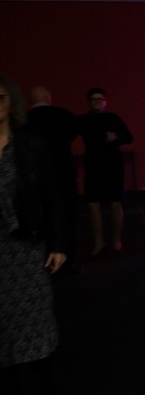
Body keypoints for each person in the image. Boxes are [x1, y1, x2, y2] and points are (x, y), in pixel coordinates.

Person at [0, 74, 68, 395]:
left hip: (25, 246)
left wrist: (58, 244)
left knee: (36, 322)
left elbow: (52, 196)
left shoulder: (29, 144)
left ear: (10, 101)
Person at [25, 86, 79, 271]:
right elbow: (75, 131)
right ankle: (67, 261)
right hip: (64, 175)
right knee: (68, 218)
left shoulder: (24, 119)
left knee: (42, 220)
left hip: (37, 179)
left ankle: (45, 261)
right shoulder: (63, 115)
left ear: (30, 100)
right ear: (48, 98)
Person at [77, 87, 133, 257]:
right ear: (89, 101)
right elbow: (92, 137)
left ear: (105, 102)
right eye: (94, 99)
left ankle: (116, 239)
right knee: (93, 206)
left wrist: (113, 138)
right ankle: (98, 242)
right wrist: (107, 137)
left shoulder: (113, 117)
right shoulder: (84, 120)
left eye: (100, 99)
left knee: (115, 204)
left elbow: (128, 137)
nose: (97, 102)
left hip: (112, 166)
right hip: (94, 166)